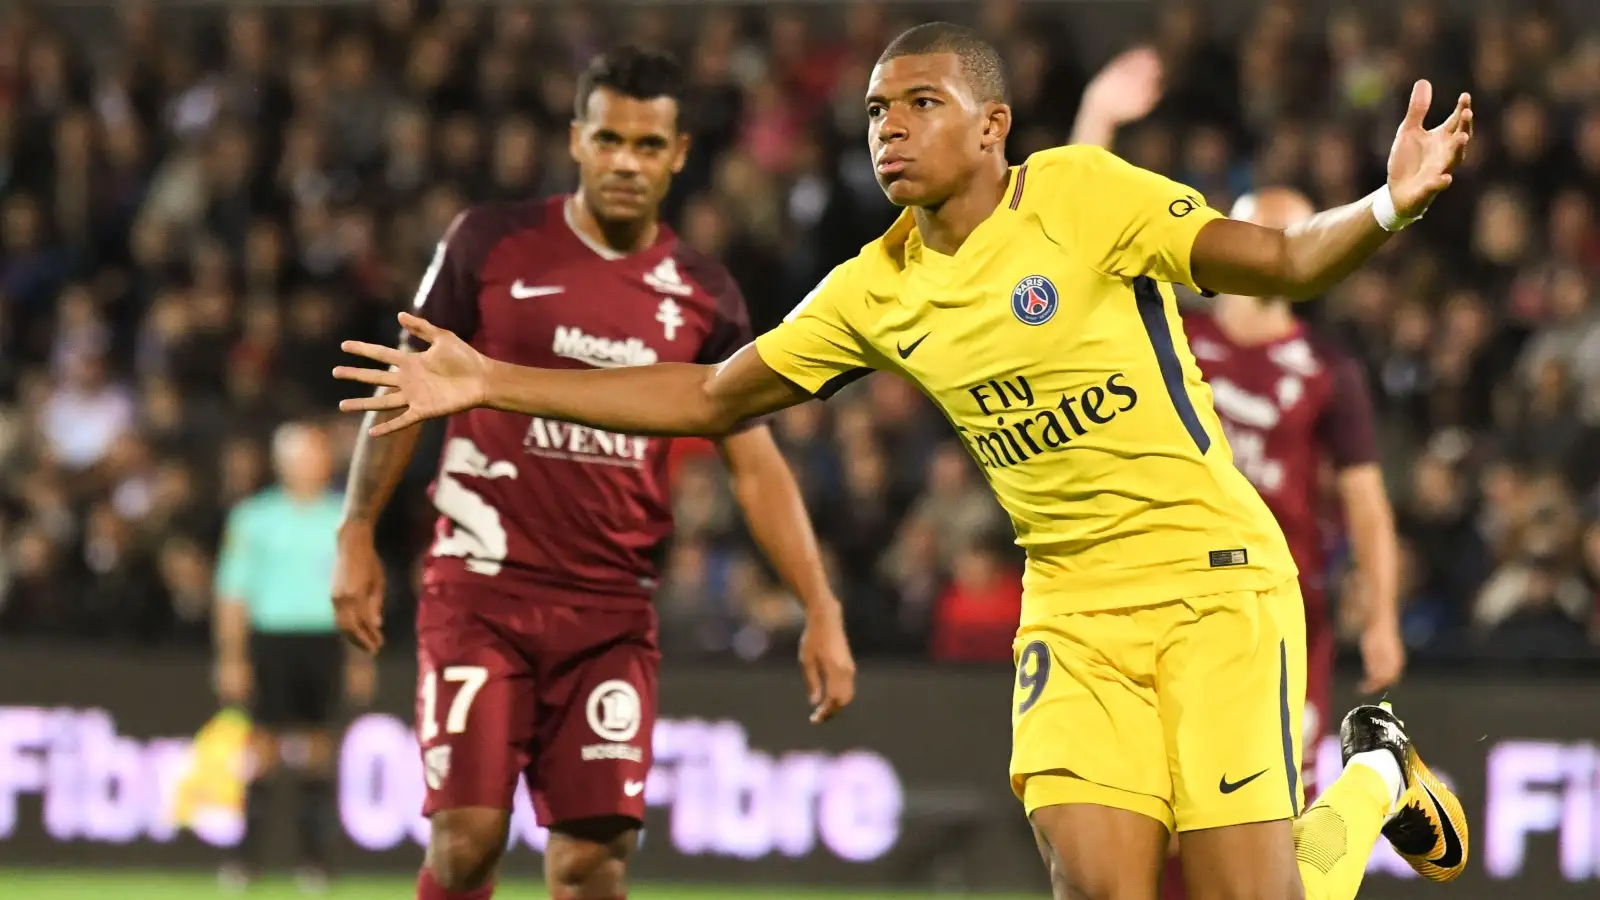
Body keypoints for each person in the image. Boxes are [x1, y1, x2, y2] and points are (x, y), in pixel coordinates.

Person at [336, 23, 1473, 900]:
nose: (889, 128)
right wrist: (490, 380)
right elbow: (710, 395)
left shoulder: (1077, 193)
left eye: (922, 105)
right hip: (1073, 613)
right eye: (878, 110)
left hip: (1215, 581)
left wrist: (1385, 205)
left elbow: (1275, 258)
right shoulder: (873, 288)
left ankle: (1374, 780)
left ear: (992, 126)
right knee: (1098, 886)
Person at [329, 48, 854, 900]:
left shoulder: (704, 295)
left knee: (592, 866)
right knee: (465, 844)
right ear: (576, 140)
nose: (625, 162)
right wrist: (355, 529)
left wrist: (820, 605)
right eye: (608, 138)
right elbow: (407, 391)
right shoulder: (489, 243)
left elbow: (755, 466)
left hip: (610, 612)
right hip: (480, 593)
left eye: (649, 146)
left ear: (680, 155)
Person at [1069, 58, 1408, 900]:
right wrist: (1096, 118)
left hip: (1272, 613)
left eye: (1287, 238)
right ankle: (1379, 774)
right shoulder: (1171, 330)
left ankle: (1373, 777)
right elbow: (1072, 240)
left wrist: (1384, 615)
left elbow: (1364, 503)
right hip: (1150, 595)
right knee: (1157, 840)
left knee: (1269, 852)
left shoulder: (1325, 370)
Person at [214, 421, 373, 892]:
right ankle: (246, 861)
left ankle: (315, 863)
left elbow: (356, 595)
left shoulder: (343, 518)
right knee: (260, 751)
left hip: (322, 642)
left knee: (320, 754)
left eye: (315, 455)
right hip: (272, 642)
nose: (308, 464)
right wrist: (232, 657)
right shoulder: (253, 519)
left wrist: (360, 657)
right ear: (282, 463)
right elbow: (232, 593)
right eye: (299, 456)